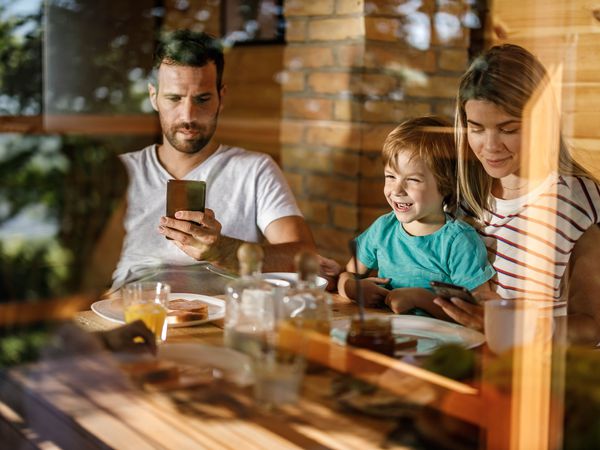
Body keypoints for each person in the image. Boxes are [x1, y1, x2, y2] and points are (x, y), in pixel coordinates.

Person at [112, 30, 317, 287]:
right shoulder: (118, 173)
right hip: (133, 313)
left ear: (221, 97)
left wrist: (225, 251)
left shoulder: (254, 170)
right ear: (153, 96)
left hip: (225, 317)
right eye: (174, 98)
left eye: (202, 99)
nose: (188, 115)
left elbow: (306, 256)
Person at [435, 44, 600, 343]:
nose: (490, 146)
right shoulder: (463, 191)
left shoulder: (575, 199)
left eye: (508, 129)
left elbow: (591, 327)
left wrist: (512, 330)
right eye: (477, 128)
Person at [0, 144, 156, 368]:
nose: (125, 232)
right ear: (83, 234)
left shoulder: (24, 328)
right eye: (122, 219)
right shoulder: (75, 380)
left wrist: (99, 343)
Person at [338, 116, 495, 319]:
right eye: (390, 176)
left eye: (412, 180)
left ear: (445, 185)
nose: (397, 190)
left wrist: (421, 299)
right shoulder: (383, 229)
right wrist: (353, 288)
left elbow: (478, 314)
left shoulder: (459, 242)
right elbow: (346, 274)